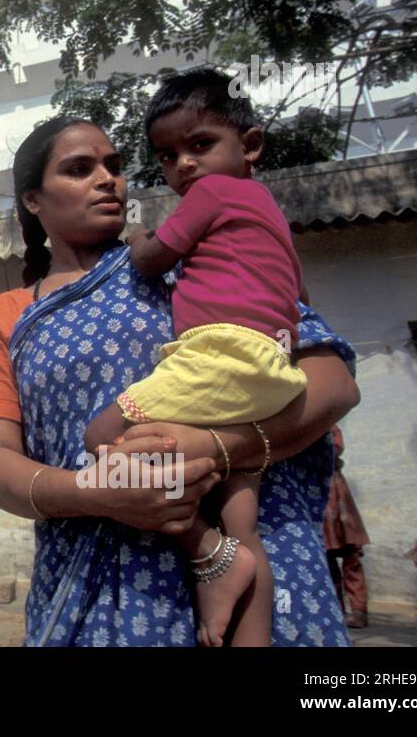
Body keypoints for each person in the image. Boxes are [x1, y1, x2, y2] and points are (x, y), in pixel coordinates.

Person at [0, 110, 361, 646]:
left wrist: (209, 449)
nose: (108, 179)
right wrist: (96, 493)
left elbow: (332, 384)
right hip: (98, 591)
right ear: (33, 199)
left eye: (113, 165)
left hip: (253, 559)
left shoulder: (199, 255)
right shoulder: (8, 315)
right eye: (79, 169)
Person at [81, 68, 306, 646]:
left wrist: (137, 241)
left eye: (199, 145)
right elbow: (299, 299)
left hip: (218, 355)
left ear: (250, 144)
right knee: (242, 512)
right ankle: (238, 603)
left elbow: (153, 259)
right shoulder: (271, 215)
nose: (183, 164)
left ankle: (203, 549)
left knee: (101, 437)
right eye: (166, 155)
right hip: (275, 372)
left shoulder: (210, 193)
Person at [324, 425, 371, 628]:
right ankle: (337, 609)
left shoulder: (330, 428)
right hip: (320, 499)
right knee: (326, 559)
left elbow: (333, 450)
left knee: (351, 557)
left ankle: (359, 610)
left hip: (338, 498)